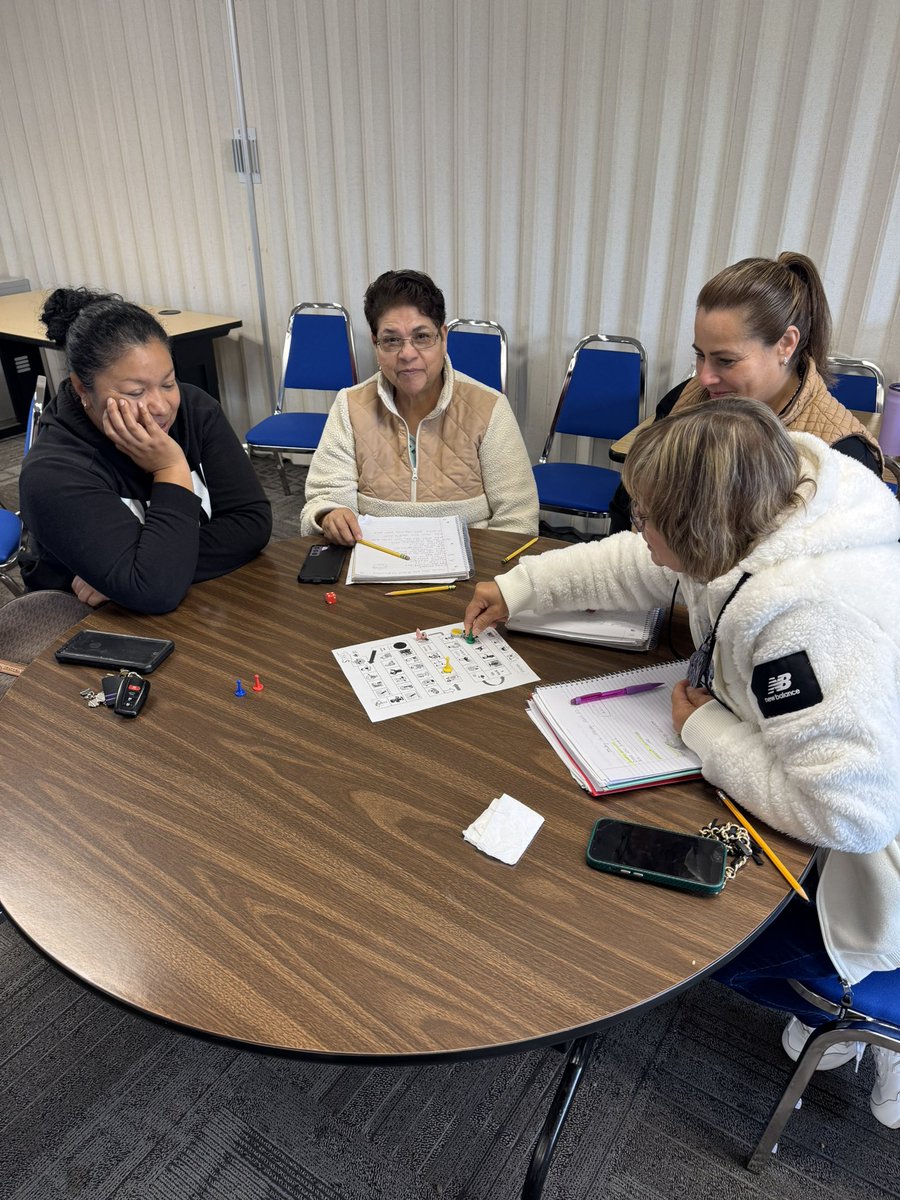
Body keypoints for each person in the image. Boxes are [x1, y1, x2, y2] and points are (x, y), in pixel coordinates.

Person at [465, 398, 900, 1128]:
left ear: (701, 529)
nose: (637, 532)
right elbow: (639, 565)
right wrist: (520, 589)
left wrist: (710, 737)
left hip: (870, 867)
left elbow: (850, 815)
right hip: (835, 776)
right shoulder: (763, 508)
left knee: (679, 938)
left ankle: (858, 1011)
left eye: (648, 519)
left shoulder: (808, 615)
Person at [19, 287, 272, 614]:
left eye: (168, 383)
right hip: (87, 628)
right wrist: (170, 469)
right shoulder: (52, 473)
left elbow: (252, 523)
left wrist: (136, 574)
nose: (161, 406)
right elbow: (155, 591)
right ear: (82, 388)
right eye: (136, 391)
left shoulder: (194, 411)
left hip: (198, 610)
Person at [608, 251, 883, 533]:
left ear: (786, 344)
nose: (704, 378)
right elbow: (625, 505)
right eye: (700, 355)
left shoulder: (843, 457)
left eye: (726, 360)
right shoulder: (686, 399)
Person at [300, 270, 538, 542]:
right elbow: (324, 496)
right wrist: (330, 514)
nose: (407, 354)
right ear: (375, 343)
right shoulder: (350, 405)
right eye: (391, 340)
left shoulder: (489, 407)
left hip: (470, 566)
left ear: (443, 337)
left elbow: (519, 519)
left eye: (422, 336)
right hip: (374, 560)